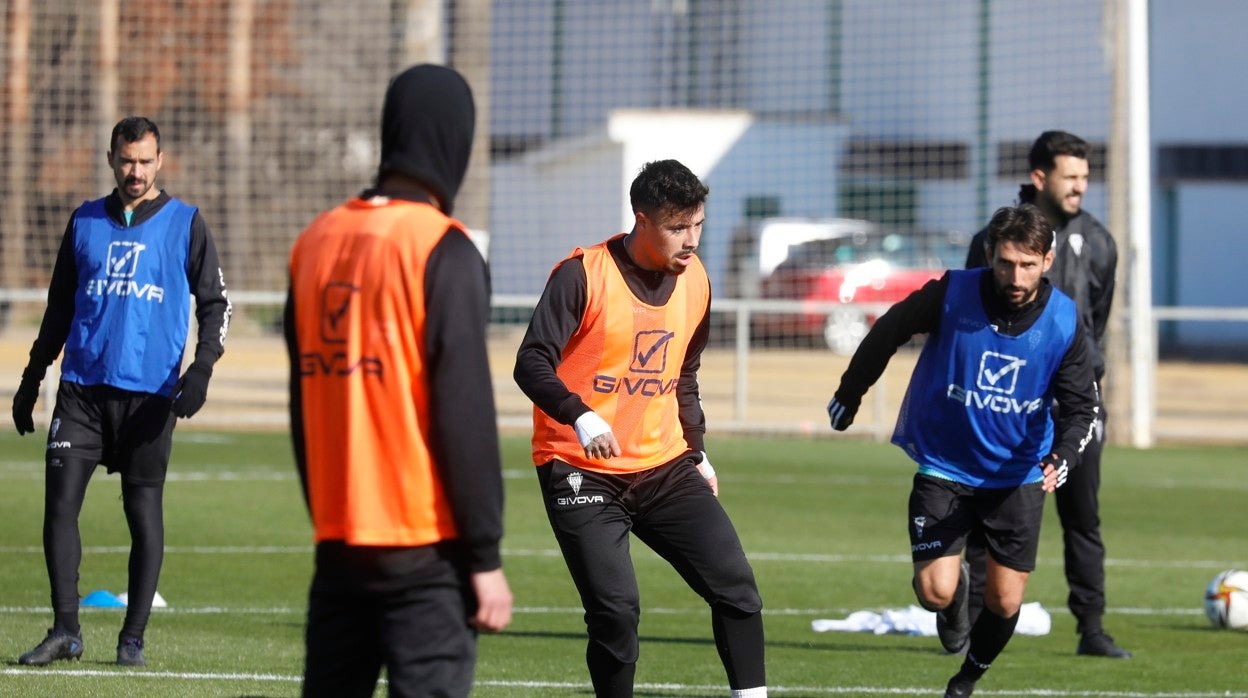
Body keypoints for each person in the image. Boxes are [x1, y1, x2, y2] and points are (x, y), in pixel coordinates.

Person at [284, 64, 512, 698]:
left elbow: (303, 409)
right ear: (453, 141)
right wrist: (484, 556)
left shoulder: (312, 244)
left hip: (338, 545)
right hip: (424, 549)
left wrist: (329, 516)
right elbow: (463, 414)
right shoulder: (442, 248)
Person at [514, 159, 768, 698]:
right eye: (678, 228)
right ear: (642, 220)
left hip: (664, 466)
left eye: (698, 225)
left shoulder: (695, 279)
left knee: (738, 590)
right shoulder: (583, 275)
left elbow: (685, 374)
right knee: (616, 614)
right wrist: (580, 416)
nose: (692, 240)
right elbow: (530, 361)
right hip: (581, 470)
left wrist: (697, 452)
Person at [826, 204, 1099, 697]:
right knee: (935, 591)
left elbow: (1083, 406)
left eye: (1028, 265)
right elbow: (890, 328)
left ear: (1048, 261)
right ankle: (952, 607)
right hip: (945, 465)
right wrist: (851, 391)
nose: (1015, 276)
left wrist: (1064, 457)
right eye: (1006, 263)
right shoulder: (953, 292)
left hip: (1017, 476)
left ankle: (967, 679)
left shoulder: (1063, 321)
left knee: (1006, 600)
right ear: (991, 255)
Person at [11, 116, 232, 667]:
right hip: (81, 393)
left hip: (149, 397)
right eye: (126, 160)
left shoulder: (186, 224)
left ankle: (132, 639)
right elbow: (59, 307)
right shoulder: (84, 221)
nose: (135, 171)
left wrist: (200, 372)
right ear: (111, 158)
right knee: (58, 508)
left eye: (145, 161)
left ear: (160, 161)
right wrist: (31, 376)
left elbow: (214, 306)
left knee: (143, 512)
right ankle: (66, 630)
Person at [964, 130, 1127, 658]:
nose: (1081, 186)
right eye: (1071, 177)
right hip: (1005, 404)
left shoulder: (1100, 242)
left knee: (1084, 517)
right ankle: (966, 628)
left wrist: (1085, 389)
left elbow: (1095, 326)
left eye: (1085, 176)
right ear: (1040, 178)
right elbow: (969, 317)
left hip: (1074, 408)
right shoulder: (994, 239)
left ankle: (1092, 630)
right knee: (983, 516)